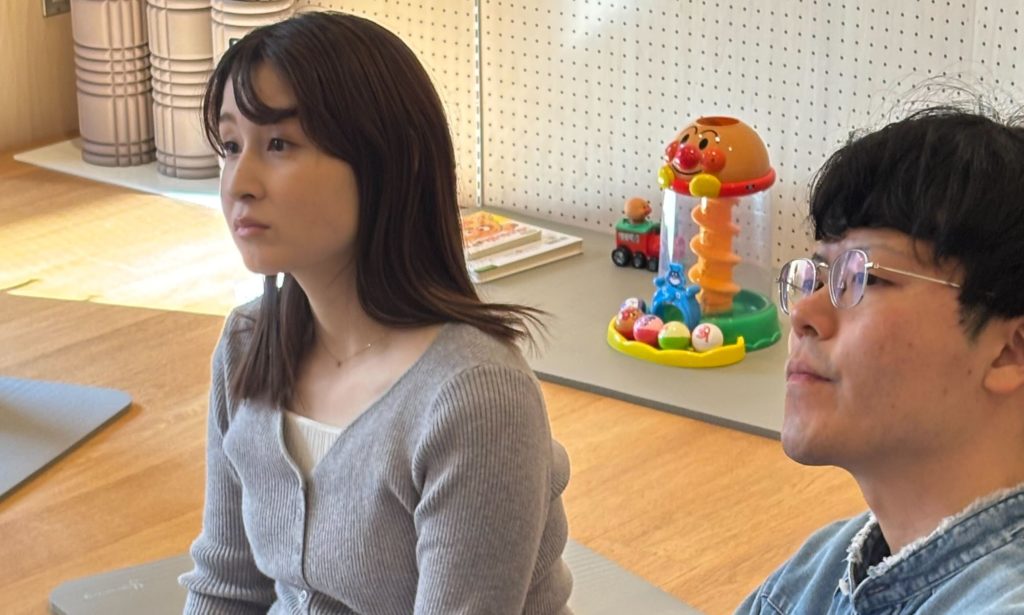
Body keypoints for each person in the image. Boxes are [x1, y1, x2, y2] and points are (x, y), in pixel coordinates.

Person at [179, 12, 572, 614]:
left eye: (279, 144)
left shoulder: (476, 398)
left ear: (389, 161)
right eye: (231, 147)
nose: (239, 183)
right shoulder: (247, 344)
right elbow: (226, 586)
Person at [738, 107, 1024, 613]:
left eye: (864, 279)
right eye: (819, 276)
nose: (803, 313)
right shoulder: (819, 572)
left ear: (1009, 351)